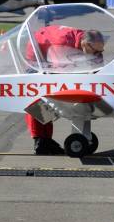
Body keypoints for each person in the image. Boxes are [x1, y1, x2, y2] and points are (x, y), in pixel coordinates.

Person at [26, 26, 106, 155]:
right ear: (85, 44)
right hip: (38, 51)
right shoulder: (62, 44)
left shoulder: (88, 42)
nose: (97, 54)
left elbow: (97, 64)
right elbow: (61, 73)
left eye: (100, 51)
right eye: (95, 51)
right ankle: (40, 141)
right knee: (41, 92)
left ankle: (46, 139)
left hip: (52, 46)